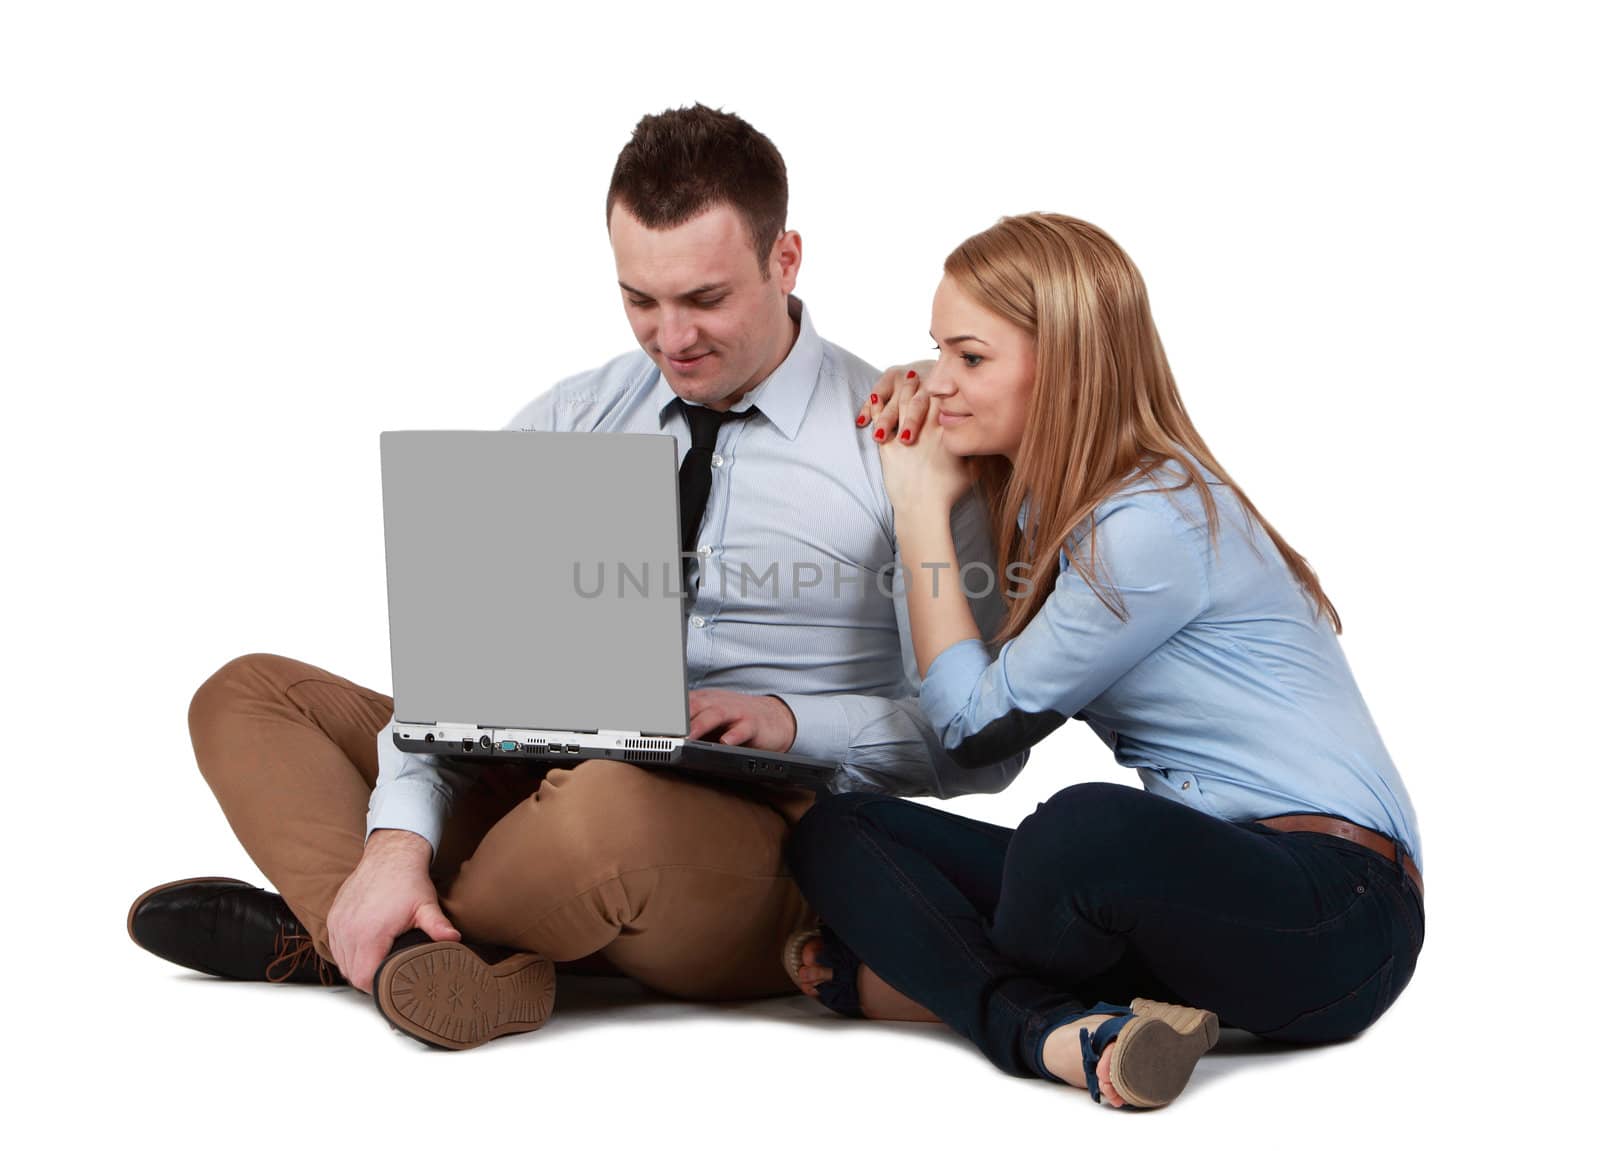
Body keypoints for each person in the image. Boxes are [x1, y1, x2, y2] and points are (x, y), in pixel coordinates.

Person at [126, 104, 1025, 1051]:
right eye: (641, 299)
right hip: (536, 785)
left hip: (765, 841)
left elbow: (987, 745)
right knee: (250, 695)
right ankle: (404, 940)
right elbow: (458, 678)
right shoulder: (580, 413)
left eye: (705, 299)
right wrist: (396, 838)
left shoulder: (906, 441)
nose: (670, 338)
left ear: (786, 259)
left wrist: (796, 721)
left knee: (602, 816)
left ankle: (350, 933)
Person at [783, 213, 1423, 1108]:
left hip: (1337, 910)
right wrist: (929, 443)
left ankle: (963, 992)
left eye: (969, 358)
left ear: (1069, 363)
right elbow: (962, 693)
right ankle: (1063, 1032)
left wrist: (918, 505)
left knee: (1078, 835)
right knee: (839, 827)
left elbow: (974, 726)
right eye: (938, 351)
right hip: (1191, 896)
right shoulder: (1059, 514)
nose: (938, 380)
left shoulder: (1149, 520)